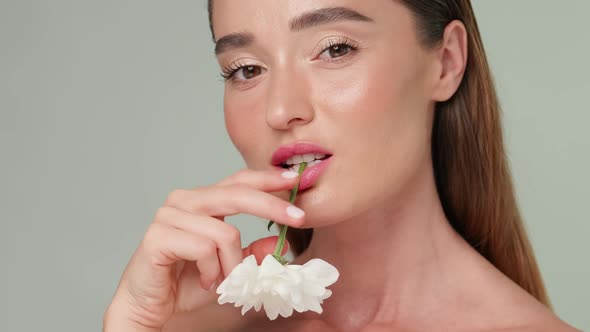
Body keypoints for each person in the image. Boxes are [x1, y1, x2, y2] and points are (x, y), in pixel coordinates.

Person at [103, 1, 580, 331]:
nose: (280, 110)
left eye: (335, 48)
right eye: (246, 69)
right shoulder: (187, 327)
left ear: (446, 63)